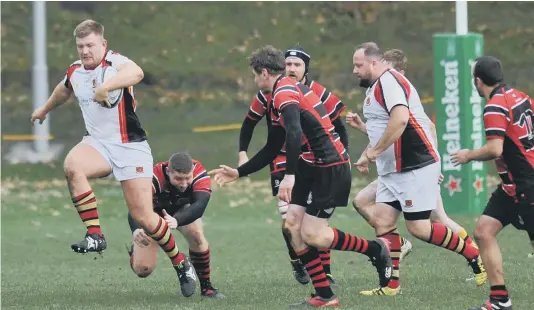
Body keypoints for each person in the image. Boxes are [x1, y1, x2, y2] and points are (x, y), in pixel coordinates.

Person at [210, 45, 392, 308]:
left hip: (330, 166)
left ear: (263, 72)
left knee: (315, 236)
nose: (254, 80)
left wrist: (289, 176)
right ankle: (325, 295)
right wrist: (239, 172)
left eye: (254, 75)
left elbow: (294, 133)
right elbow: (274, 146)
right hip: (310, 163)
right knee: (292, 226)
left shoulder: (284, 92)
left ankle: (375, 249)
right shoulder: (278, 94)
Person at [29, 19, 196, 297]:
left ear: (102, 44)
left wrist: (107, 87)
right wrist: (44, 110)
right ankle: (95, 235)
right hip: (97, 144)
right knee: (73, 166)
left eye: (90, 45)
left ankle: (181, 263)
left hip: (130, 146)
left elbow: (137, 72)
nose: (85, 51)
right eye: (81, 46)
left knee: (144, 216)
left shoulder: (116, 62)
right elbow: (64, 89)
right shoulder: (76, 71)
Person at [352, 42, 486, 297]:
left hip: (414, 165)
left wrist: (375, 151)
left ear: (374, 63)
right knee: (383, 222)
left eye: (358, 65)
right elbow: (382, 127)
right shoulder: (374, 88)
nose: (355, 70)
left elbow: (401, 119)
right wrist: (368, 155)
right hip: (392, 170)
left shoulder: (389, 81)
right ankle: (391, 287)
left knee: (420, 228)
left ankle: (475, 257)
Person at [451, 56, 534, 310]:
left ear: (477, 81)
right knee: (484, 231)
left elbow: (495, 149)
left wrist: (468, 155)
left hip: (530, 185)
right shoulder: (519, 96)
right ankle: (499, 299)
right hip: (513, 187)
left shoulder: (494, 107)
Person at [237, 45, 347, 285]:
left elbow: (338, 122)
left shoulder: (315, 91)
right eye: (288, 64)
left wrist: (343, 152)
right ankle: (300, 262)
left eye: (297, 65)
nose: (292, 68)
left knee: (312, 222)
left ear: (306, 67)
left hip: (314, 161)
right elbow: (250, 125)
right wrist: (241, 157)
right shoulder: (266, 94)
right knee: (291, 219)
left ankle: (325, 274)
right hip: (281, 161)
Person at [127, 152, 225, 299]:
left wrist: (177, 220)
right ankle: (136, 253)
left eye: (188, 178)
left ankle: (207, 288)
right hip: (153, 215)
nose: (184, 184)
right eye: (179, 178)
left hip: (181, 212)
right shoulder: (153, 177)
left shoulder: (198, 172)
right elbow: (136, 207)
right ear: (168, 171)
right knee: (143, 269)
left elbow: (199, 205)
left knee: (197, 237)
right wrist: (136, 230)